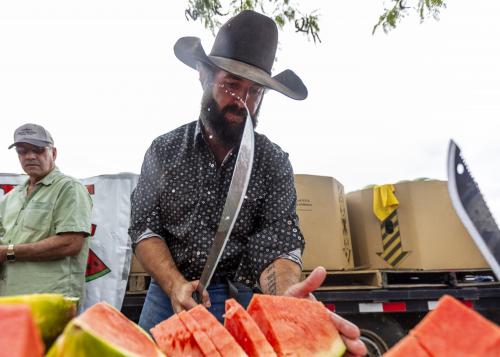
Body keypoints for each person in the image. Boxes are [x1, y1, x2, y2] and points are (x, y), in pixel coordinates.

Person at [129, 10, 366, 356]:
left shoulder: (272, 161)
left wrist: (285, 295)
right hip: (167, 293)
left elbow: (277, 240)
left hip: (238, 297)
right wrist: (174, 284)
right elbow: (144, 227)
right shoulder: (164, 150)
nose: (242, 102)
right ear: (203, 76)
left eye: (255, 92)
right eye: (231, 85)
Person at [0, 123, 93, 301]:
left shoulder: (69, 188)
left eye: (38, 150)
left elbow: (70, 243)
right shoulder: (12, 197)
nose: (30, 156)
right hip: (9, 300)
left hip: (50, 301)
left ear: (54, 153)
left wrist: (7, 252)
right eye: (22, 151)